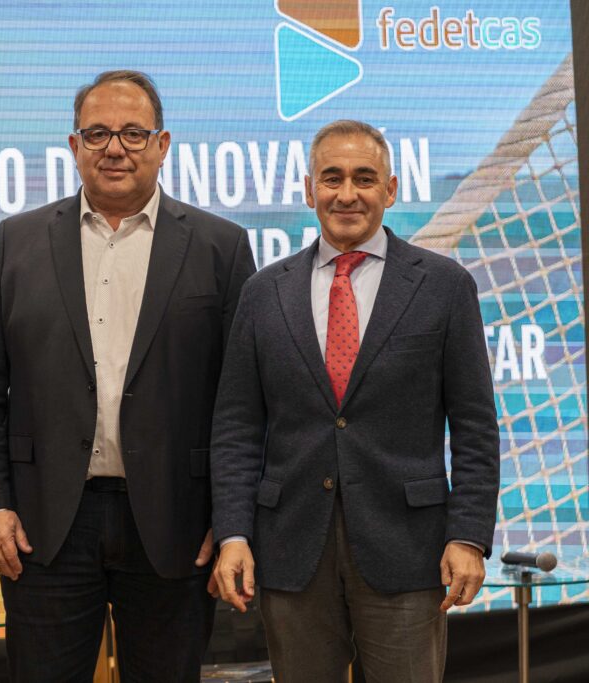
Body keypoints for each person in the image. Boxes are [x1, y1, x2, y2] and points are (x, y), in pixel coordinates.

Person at [0, 70, 255, 681]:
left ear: (162, 145)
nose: (114, 148)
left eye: (133, 134)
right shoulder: (18, 240)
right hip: (44, 525)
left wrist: (231, 520)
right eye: (97, 134)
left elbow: (243, 402)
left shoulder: (220, 246)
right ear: (74, 145)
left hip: (177, 522)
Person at [209, 119, 500, 682]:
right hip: (291, 551)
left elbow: (475, 427)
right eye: (332, 178)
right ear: (309, 189)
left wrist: (467, 537)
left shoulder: (444, 286)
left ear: (390, 190)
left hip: (409, 551)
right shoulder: (263, 293)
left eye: (364, 179)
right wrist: (234, 535)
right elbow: (237, 429)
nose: (347, 194)